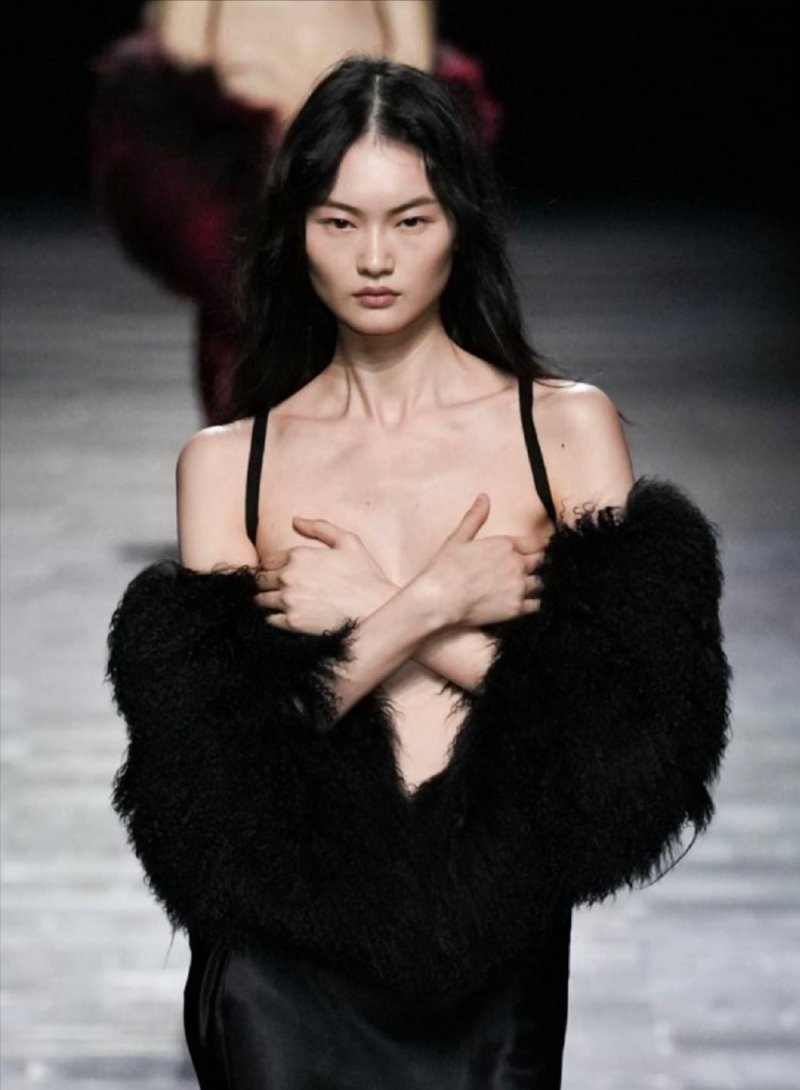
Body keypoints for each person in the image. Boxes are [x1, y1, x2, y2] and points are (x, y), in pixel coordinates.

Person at [105, 56, 731, 1088]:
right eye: (338, 221)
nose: (373, 258)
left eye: (410, 220)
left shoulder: (558, 431)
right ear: (295, 230)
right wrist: (426, 605)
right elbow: (209, 779)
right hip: (281, 968)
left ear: (462, 224)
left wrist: (387, 618)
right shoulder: (230, 464)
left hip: (494, 960)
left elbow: (635, 738)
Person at [90, 0, 501, 426]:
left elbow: (410, 55)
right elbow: (184, 48)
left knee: (354, 312)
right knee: (252, 314)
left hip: (351, 144)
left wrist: (363, 121)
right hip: (250, 161)